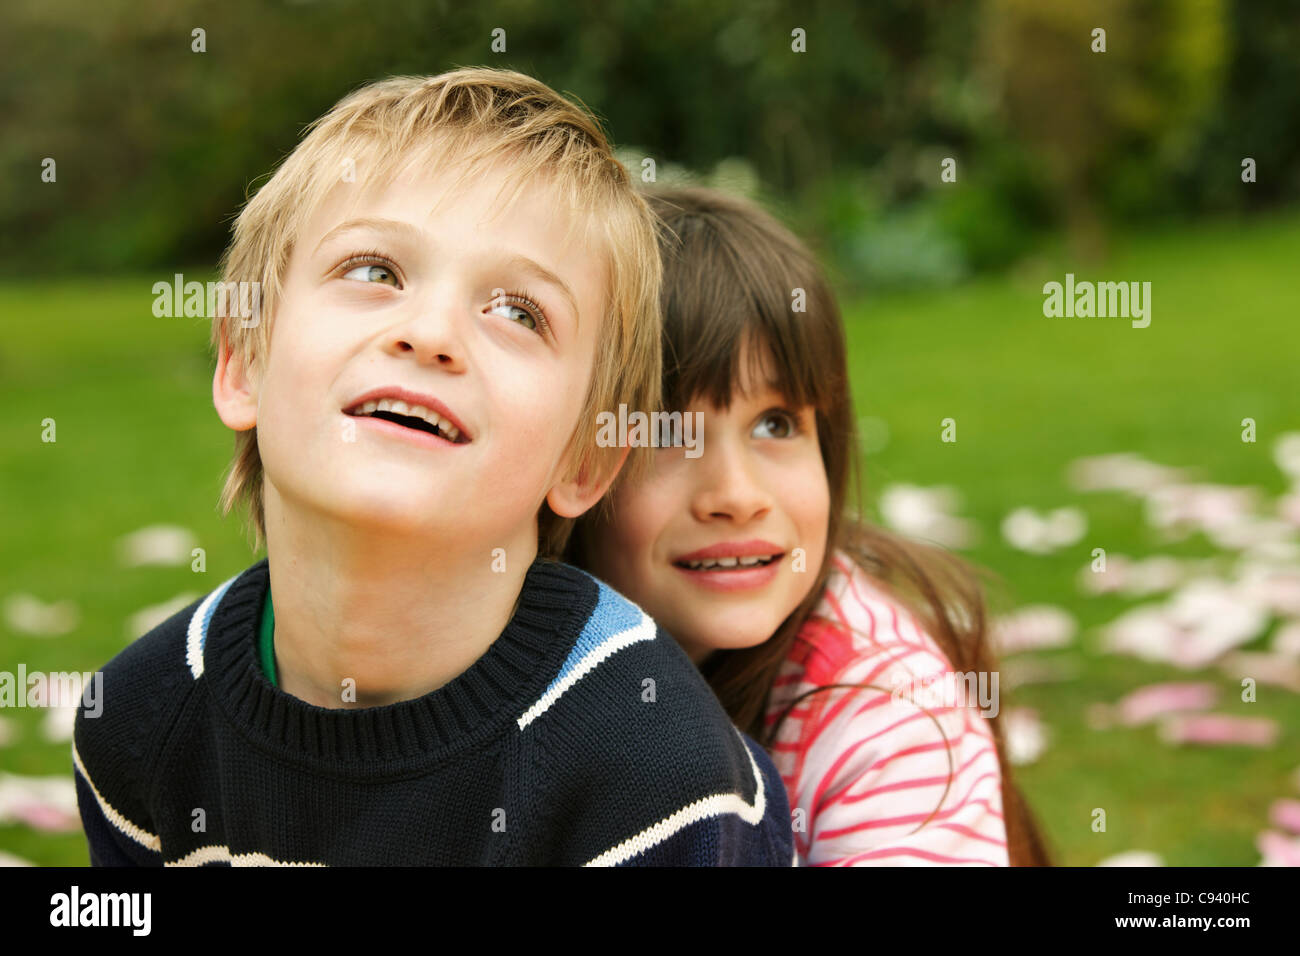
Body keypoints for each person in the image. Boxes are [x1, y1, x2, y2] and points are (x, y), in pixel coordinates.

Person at [71, 72, 795, 867]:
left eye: (519, 312)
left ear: (584, 457)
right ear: (245, 361)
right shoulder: (142, 718)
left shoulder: (649, 771)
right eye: (375, 271)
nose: (431, 331)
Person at [569, 185, 1052, 866]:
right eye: (669, 434)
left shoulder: (890, 715)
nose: (736, 496)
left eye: (776, 424)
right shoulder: (514, 644)